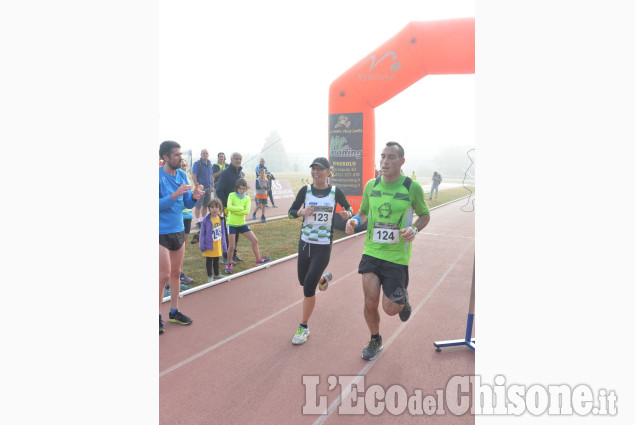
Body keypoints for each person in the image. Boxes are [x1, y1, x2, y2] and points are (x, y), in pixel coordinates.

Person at [345, 141, 430, 360]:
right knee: (370, 301)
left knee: (390, 309)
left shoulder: (412, 187)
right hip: (372, 251)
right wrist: (355, 220)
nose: (385, 161)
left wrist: (413, 229)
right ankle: (375, 339)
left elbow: (425, 215)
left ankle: (403, 299)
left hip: (397, 256)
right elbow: (363, 211)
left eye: (391, 157)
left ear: (401, 162)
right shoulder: (371, 186)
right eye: (383, 156)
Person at [288, 157, 353, 345]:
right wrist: (301, 213)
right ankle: (323, 279)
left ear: (328, 172)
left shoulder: (335, 192)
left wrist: (347, 214)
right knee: (303, 280)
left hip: (323, 245)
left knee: (308, 287)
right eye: (313, 169)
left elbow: (348, 208)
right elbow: (291, 212)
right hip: (305, 243)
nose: (316, 173)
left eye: (320, 169)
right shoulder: (305, 191)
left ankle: (303, 327)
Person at [159, 140, 204, 334]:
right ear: (165, 157)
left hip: (178, 230)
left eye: (180, 154)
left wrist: (194, 196)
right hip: (160, 232)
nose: (180, 157)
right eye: (176, 154)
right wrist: (175, 195)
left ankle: (174, 311)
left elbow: (187, 203)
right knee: (163, 276)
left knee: (176, 274)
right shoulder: (156, 177)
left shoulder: (181, 174)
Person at [225, 178, 271, 275]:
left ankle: (258, 260)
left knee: (255, 240)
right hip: (232, 224)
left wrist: (235, 209)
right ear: (237, 188)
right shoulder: (231, 195)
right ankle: (228, 264)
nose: (242, 191)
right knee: (232, 246)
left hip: (242, 223)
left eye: (244, 189)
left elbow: (246, 211)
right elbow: (229, 207)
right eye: (240, 189)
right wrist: (241, 208)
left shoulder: (247, 198)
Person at [215, 152, 246, 264]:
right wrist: (227, 205)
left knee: (236, 231)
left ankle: (233, 254)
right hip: (228, 209)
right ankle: (225, 256)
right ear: (231, 160)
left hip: (238, 209)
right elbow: (219, 190)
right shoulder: (225, 173)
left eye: (240, 159)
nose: (238, 161)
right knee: (228, 233)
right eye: (236, 159)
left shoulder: (240, 174)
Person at [200, 198, 227, 282]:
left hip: (217, 244)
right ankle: (210, 276)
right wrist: (202, 245)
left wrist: (224, 245)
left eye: (216, 207)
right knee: (209, 260)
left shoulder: (221, 219)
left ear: (220, 209)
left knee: (216, 259)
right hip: (209, 244)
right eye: (212, 207)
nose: (214, 209)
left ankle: (216, 274)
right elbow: (202, 233)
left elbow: (223, 232)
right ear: (209, 209)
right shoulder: (206, 220)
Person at [179, 159, 194, 285]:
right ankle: (176, 274)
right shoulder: (175, 179)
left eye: (185, 165)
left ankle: (179, 272)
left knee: (183, 246)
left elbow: (189, 200)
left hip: (188, 215)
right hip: (178, 217)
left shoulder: (187, 180)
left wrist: (195, 196)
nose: (184, 167)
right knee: (176, 247)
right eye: (181, 165)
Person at [192, 149, 214, 229]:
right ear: (201, 154)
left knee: (205, 205)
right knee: (198, 205)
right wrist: (197, 186)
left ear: (208, 155)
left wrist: (213, 186)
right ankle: (198, 221)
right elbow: (194, 175)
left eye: (206, 153)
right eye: (203, 153)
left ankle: (204, 220)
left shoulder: (210, 164)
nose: (205, 154)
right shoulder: (197, 164)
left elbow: (211, 176)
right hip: (201, 188)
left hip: (208, 187)